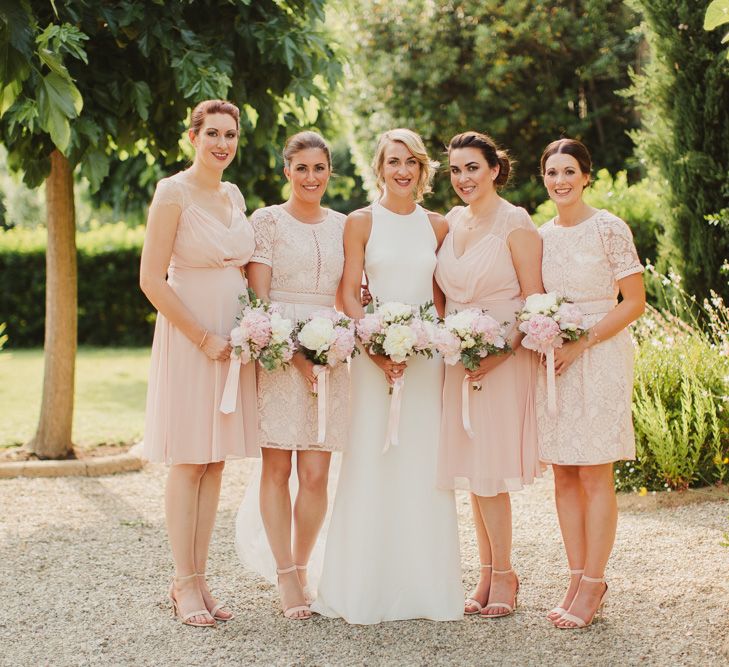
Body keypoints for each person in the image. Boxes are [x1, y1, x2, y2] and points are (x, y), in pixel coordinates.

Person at [312, 128, 463, 624]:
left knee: (422, 464)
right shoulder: (360, 222)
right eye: (394, 161)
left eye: (412, 163)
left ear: (422, 170)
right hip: (372, 362)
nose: (403, 170)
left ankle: (424, 589)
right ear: (379, 167)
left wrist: (429, 341)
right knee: (370, 461)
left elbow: (440, 300)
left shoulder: (438, 226)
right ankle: (363, 588)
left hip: (426, 365)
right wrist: (374, 344)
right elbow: (349, 294)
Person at [140, 99, 258, 627]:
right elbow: (150, 279)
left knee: (215, 461)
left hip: (233, 341)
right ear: (193, 137)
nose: (223, 144)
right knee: (189, 459)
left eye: (230, 135)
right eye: (213, 133)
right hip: (192, 338)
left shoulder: (232, 193)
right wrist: (202, 336)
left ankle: (201, 578)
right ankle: (182, 583)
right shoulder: (173, 193)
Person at [537, 138, 645, 629]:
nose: (560, 181)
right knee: (563, 471)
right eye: (552, 172)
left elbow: (633, 301)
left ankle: (595, 582)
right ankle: (575, 575)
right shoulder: (541, 235)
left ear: (586, 176)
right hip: (555, 359)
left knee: (594, 472)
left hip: (599, 357)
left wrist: (584, 343)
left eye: (568, 171)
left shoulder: (609, 228)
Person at [435, 131, 543, 618]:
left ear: (495, 169)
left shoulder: (515, 222)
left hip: (502, 356)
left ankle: (505, 574)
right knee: (473, 473)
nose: (463, 179)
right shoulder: (453, 221)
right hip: (459, 357)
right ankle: (485, 572)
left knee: (490, 473)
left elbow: (534, 298)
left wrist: (500, 352)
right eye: (456, 170)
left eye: (472, 168)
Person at [241, 131, 348, 621]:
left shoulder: (345, 225)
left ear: (330, 171)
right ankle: (284, 573)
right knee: (278, 468)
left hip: (331, 355)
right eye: (301, 168)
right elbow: (260, 303)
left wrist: (339, 343)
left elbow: (350, 294)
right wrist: (294, 355)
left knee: (317, 472)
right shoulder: (266, 221)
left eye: (319, 168)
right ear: (287, 171)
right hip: (279, 354)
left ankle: (303, 566)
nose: (311, 177)